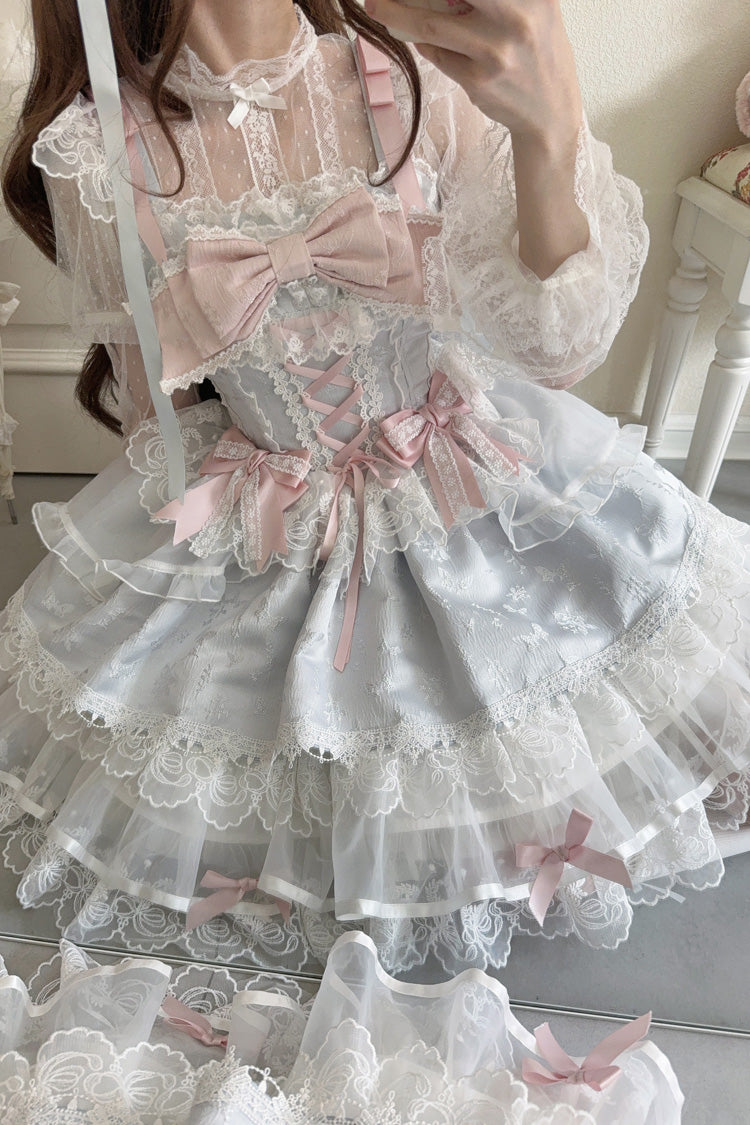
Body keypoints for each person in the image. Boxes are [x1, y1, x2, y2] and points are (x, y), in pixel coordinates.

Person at [0, 0, 748, 984]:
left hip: (460, 476)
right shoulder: (95, 151)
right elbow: (158, 412)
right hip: (270, 506)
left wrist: (553, 129)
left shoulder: (411, 77)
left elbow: (556, 349)